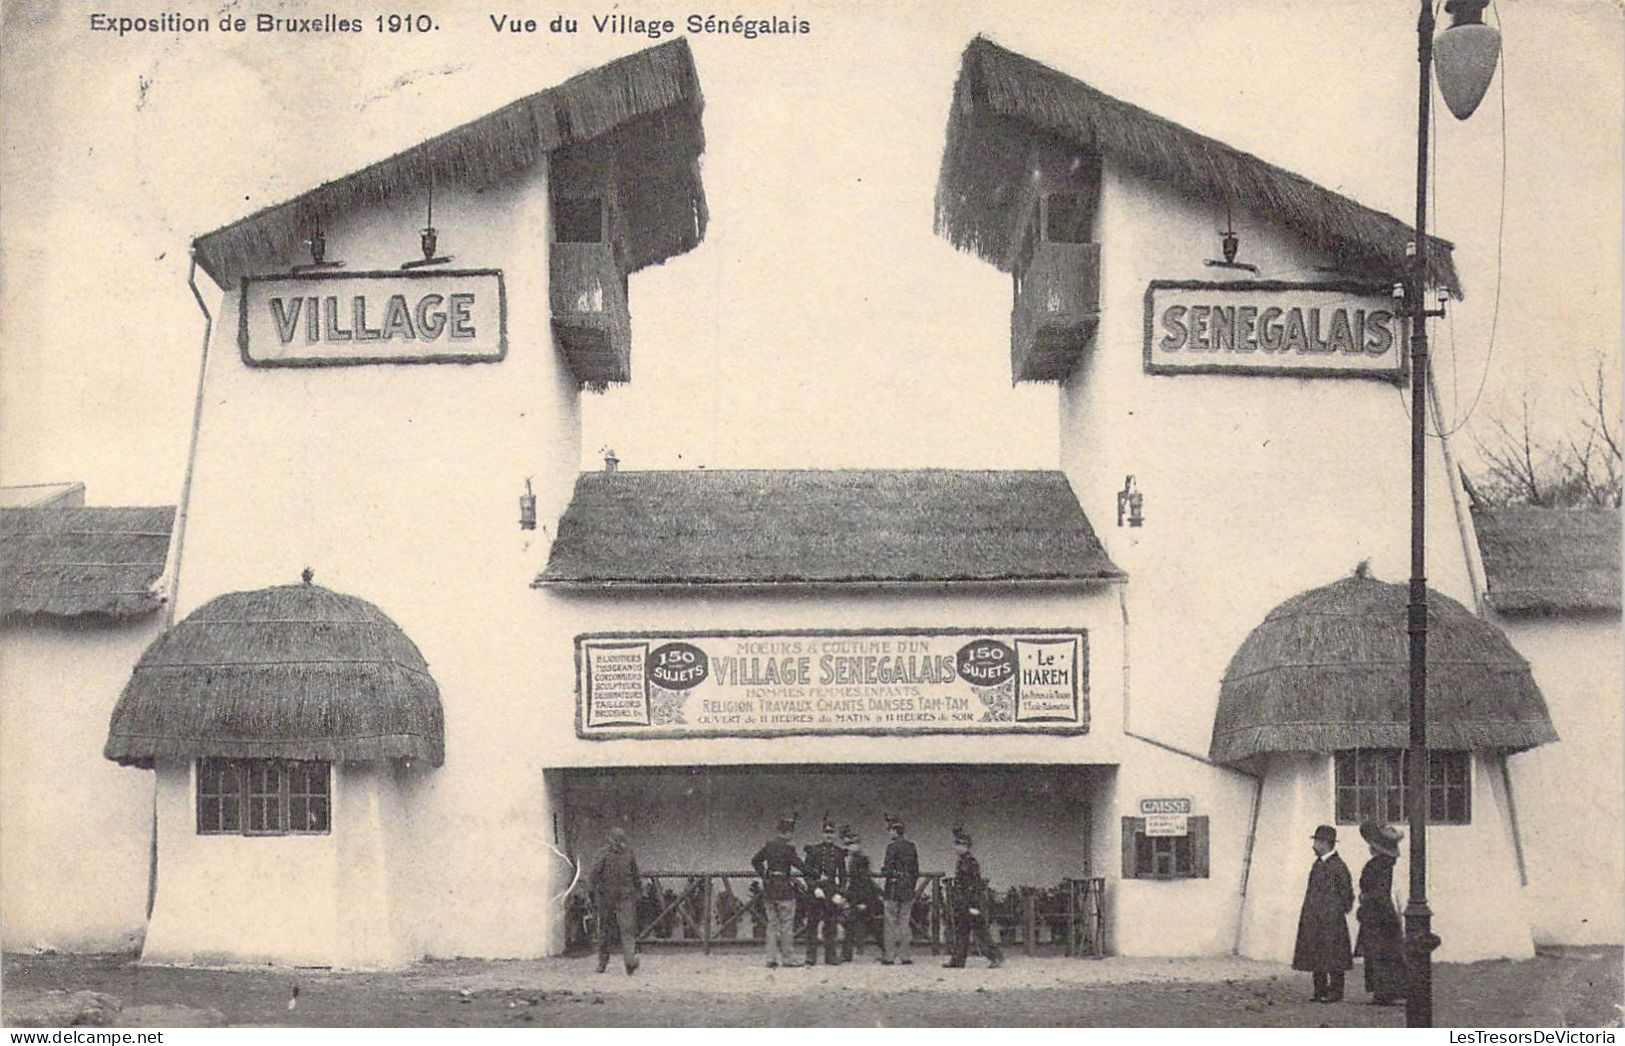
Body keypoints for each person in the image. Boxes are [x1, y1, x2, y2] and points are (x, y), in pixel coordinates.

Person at [1293, 824, 1354, 1002]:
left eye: (1317, 842)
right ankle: (1319, 990)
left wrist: (1336, 910)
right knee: (1316, 953)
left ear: (1325, 843)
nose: (1314, 846)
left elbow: (1347, 893)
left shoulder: (1338, 866)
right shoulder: (1317, 865)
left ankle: (1335, 992)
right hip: (1315, 917)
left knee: (1334, 955)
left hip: (1331, 919)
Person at [1355, 822, 1407, 1006]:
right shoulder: (1386, 865)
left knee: (1378, 954)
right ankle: (1387, 991)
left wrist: (1365, 899)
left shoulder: (1377, 866)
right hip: (1381, 912)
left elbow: (1378, 892)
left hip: (1377, 914)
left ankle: (1383, 992)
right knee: (1387, 953)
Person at [751, 813, 806, 968]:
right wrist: (816, 873)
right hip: (784, 890)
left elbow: (755, 861)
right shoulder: (789, 849)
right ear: (788, 832)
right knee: (787, 925)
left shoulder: (769, 846)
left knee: (772, 925)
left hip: (769, 889)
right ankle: (788, 958)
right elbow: (800, 866)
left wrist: (764, 875)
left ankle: (771, 958)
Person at [943, 827, 1003, 969]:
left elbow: (974, 884)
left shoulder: (970, 862)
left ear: (966, 846)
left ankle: (995, 956)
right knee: (961, 930)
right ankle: (958, 959)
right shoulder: (962, 861)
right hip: (963, 901)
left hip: (970, 901)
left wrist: (973, 904)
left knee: (980, 931)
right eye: (956, 844)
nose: (956, 847)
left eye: (959, 844)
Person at [589, 826, 641, 975]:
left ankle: (630, 962)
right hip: (606, 899)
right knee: (605, 931)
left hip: (625, 898)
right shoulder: (602, 855)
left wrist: (638, 893)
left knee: (628, 930)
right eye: (616, 840)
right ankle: (602, 963)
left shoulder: (629, 855)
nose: (618, 843)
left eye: (621, 840)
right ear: (610, 840)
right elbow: (593, 876)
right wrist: (593, 896)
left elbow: (636, 876)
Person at [802, 815, 848, 966]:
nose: (829, 836)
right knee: (812, 925)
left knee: (831, 925)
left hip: (831, 891)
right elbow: (807, 873)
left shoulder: (839, 853)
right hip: (816, 892)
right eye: (826, 833)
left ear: (834, 835)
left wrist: (839, 893)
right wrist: (814, 888)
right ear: (822, 834)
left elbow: (843, 875)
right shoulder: (813, 851)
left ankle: (831, 956)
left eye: (831, 833)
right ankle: (810, 956)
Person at [879, 815, 919, 965]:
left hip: (894, 888)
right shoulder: (911, 846)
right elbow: (915, 870)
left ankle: (889, 956)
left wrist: (884, 871)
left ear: (895, 831)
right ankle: (905, 956)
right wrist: (911, 886)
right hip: (907, 888)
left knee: (890, 922)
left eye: (890, 830)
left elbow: (887, 870)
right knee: (904, 921)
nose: (889, 833)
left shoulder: (891, 847)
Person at [840, 825, 881, 962]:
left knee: (871, 925)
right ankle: (847, 954)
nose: (850, 847)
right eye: (847, 844)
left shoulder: (860, 860)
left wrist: (862, 901)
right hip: (856, 896)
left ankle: (887, 951)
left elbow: (863, 881)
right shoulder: (853, 859)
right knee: (854, 924)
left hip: (863, 896)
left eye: (852, 844)